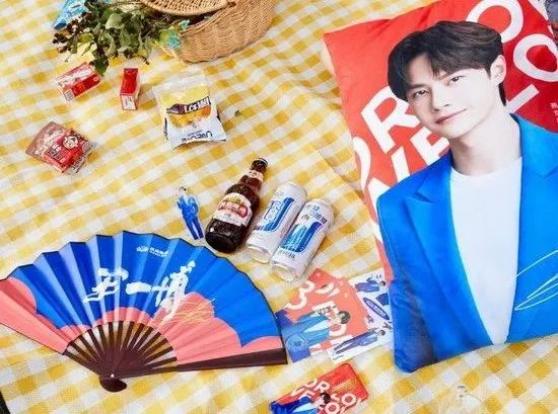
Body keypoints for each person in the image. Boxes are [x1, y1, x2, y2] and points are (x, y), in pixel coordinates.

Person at [378, 20, 558, 372]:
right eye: (420, 92)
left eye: (454, 79)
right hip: (468, 386)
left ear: (496, 70)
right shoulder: (398, 205)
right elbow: (416, 329)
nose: (439, 102)